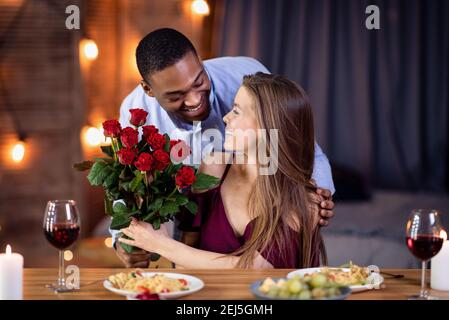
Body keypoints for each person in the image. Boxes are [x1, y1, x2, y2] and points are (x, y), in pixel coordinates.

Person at [114, 28, 335, 268]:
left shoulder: (243, 76)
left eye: (198, 82)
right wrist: (127, 238)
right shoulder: (139, 113)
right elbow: (129, 185)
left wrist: (315, 197)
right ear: (149, 90)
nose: (194, 101)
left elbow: (254, 270)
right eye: (177, 95)